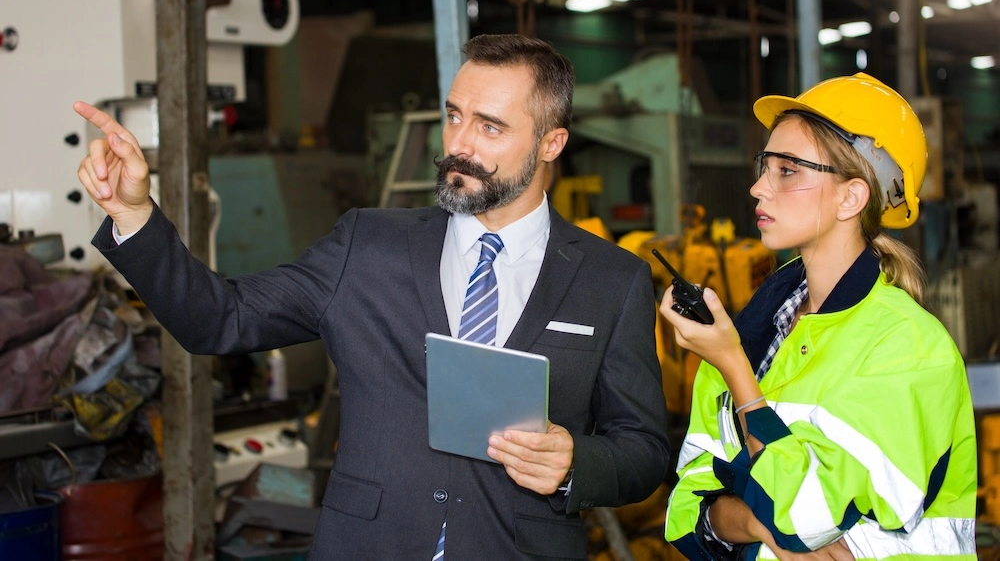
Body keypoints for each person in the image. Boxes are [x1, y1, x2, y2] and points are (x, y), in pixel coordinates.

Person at [75, 33, 670, 560]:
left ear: (551, 142)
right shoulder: (368, 246)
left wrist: (574, 464)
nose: (458, 144)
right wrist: (135, 216)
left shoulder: (611, 280)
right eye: (454, 116)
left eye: (490, 127)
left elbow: (643, 449)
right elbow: (219, 320)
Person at [662, 73, 976, 560]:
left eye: (787, 171)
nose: (757, 188)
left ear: (851, 197)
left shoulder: (909, 347)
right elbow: (686, 516)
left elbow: (803, 519)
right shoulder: (749, 333)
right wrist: (757, 523)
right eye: (765, 166)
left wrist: (737, 373)